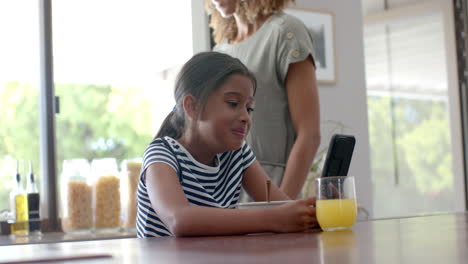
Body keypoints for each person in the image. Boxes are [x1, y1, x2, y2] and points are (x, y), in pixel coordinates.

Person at [136, 51, 317, 237]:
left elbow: (281, 206)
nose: (246, 117)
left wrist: (315, 214)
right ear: (192, 106)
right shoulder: (162, 155)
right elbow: (179, 220)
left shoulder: (238, 155)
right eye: (232, 103)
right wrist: (273, 219)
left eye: (249, 108)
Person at [205, 0, 321, 200]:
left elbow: (309, 134)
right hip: (224, 195)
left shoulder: (286, 33)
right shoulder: (220, 50)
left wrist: (281, 207)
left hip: (273, 187)